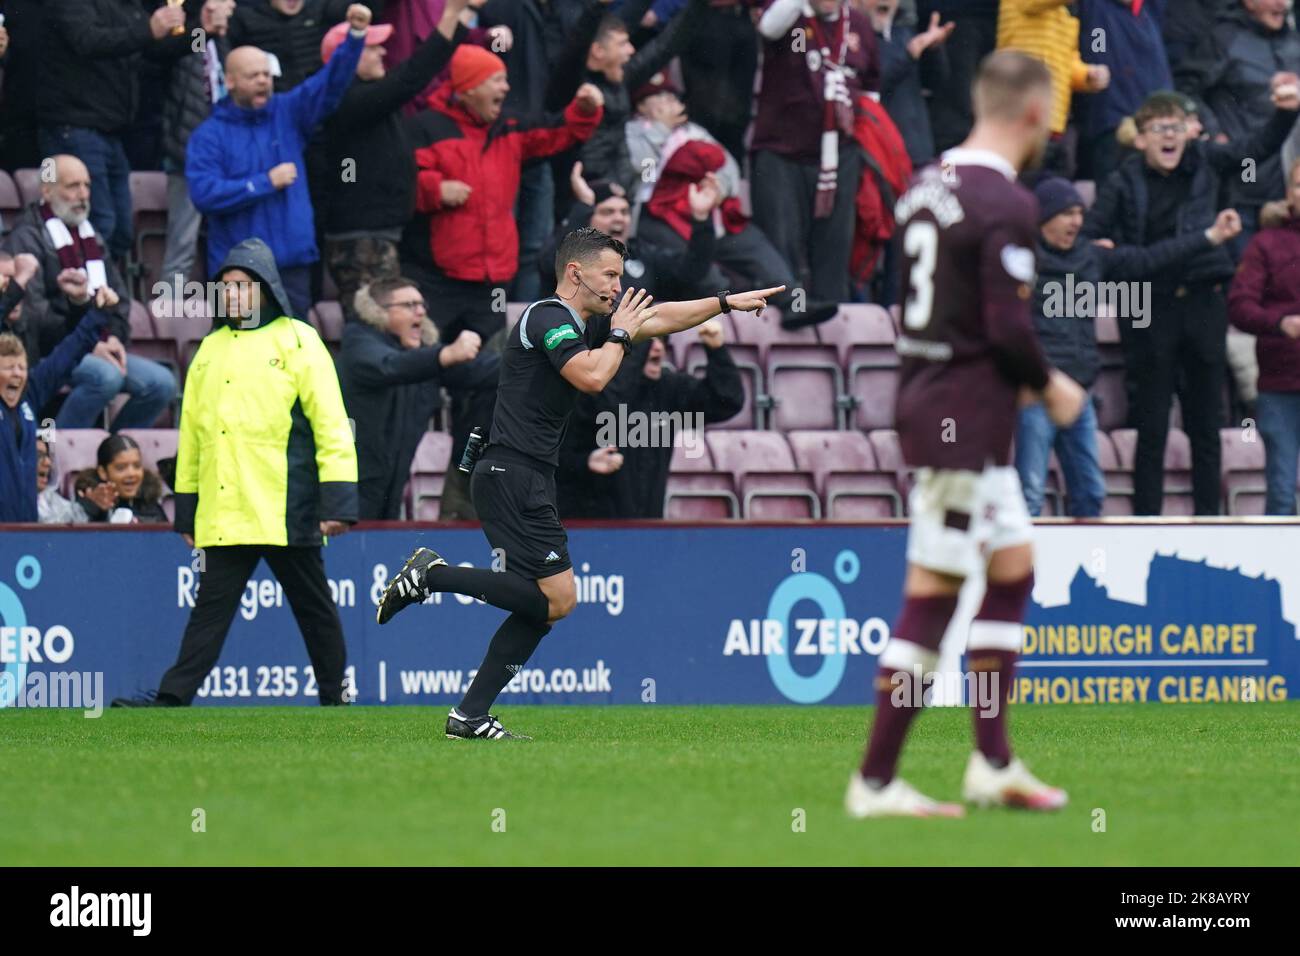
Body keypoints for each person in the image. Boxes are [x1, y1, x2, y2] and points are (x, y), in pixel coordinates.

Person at [374, 226, 782, 740]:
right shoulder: (547, 317)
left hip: (523, 475)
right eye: (609, 275)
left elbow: (659, 317)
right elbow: (592, 376)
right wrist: (622, 334)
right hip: (511, 473)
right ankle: (431, 576)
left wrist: (723, 302)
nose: (617, 286)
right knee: (558, 599)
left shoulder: (586, 323)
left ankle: (469, 716)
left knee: (542, 607)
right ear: (575, 273)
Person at [849, 51, 1088, 819]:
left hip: (946, 408)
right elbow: (1008, 326)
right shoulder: (1005, 201)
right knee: (935, 595)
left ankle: (993, 762)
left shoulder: (925, 184)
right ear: (1035, 113)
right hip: (961, 421)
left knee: (1012, 570)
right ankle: (875, 782)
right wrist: (1051, 385)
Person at [112, 237, 358, 707]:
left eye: (243, 285)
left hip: (287, 508)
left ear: (266, 288)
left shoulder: (300, 340)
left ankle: (335, 696)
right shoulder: (209, 349)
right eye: (226, 286)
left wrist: (338, 502)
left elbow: (331, 426)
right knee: (210, 611)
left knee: (314, 608)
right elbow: (193, 436)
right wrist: (187, 511)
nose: (233, 294)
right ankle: (172, 698)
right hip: (227, 511)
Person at [1084, 87, 1300, 515]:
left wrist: (1285, 114)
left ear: (1189, 132)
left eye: (1177, 126)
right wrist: (1118, 256)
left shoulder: (1207, 159)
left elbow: (1254, 150)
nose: (1169, 135)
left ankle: (1208, 522)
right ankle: (1147, 523)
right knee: (1151, 424)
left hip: (1203, 301)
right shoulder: (1122, 181)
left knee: (1206, 423)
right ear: (1139, 138)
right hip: (1148, 305)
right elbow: (1092, 244)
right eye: (1159, 128)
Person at [1016, 177, 1243, 517]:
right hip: (1038, 392)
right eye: (1066, 214)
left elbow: (1151, 258)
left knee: (1091, 494)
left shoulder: (1091, 257)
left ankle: (1087, 553)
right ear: (1043, 218)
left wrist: (1209, 237)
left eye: (1079, 213)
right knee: (1030, 495)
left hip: (1080, 392)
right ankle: (1022, 555)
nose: (1076, 221)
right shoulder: (1021, 265)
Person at [186, 4, 373, 319]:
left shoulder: (288, 113)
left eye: (266, 74)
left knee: (291, 346)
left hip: (291, 267)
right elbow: (204, 194)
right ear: (230, 81)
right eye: (253, 76)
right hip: (239, 274)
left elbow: (328, 84)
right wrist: (265, 183)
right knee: (240, 348)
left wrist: (355, 37)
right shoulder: (209, 135)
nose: (263, 81)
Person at [321, 0, 469, 322]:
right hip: (359, 241)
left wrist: (462, 15)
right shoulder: (343, 98)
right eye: (372, 48)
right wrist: (451, 15)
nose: (383, 52)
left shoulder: (373, 97)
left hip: (385, 233)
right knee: (372, 324)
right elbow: (412, 76)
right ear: (345, 56)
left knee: (391, 325)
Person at [3, 154, 176, 429]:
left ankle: (112, 449)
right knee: (105, 378)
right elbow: (34, 316)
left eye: (87, 185)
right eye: (73, 186)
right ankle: (60, 447)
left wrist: (115, 337)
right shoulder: (27, 236)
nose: (83, 194)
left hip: (97, 342)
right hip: (51, 352)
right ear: (47, 191)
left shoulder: (91, 235)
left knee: (161, 384)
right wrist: (88, 342)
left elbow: (118, 298)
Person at [36, 0, 188, 261]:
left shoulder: (128, 6)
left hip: (113, 132)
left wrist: (202, 31)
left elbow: (163, 49)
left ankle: (106, 283)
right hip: (74, 127)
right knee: (101, 223)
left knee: (122, 230)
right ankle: (82, 285)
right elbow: (87, 40)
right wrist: (147, 29)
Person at [336, 275, 498, 519]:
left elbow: (476, 371)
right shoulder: (359, 340)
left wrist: (536, 364)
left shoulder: (423, 354)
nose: (421, 312)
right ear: (378, 311)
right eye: (409, 305)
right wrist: (445, 354)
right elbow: (391, 366)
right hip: (349, 484)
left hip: (393, 482)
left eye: (422, 305)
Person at [752, 0, 880, 306]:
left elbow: (872, 86)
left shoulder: (859, 24)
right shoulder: (791, 15)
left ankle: (832, 317)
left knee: (834, 249)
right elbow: (769, 27)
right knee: (783, 246)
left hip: (840, 156)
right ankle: (788, 315)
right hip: (782, 153)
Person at [556, 318, 743, 518]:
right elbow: (556, 459)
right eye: (645, 341)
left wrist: (717, 351)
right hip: (588, 525)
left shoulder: (669, 388)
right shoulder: (588, 392)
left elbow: (726, 401)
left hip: (648, 526)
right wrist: (585, 463)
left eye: (661, 339)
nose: (657, 347)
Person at [0, 275, 117, 523]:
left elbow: (67, 355)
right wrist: (10, 295)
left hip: (25, 530)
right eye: (9, 368)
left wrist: (99, 314)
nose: (17, 374)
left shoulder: (28, 397)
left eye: (21, 367)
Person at [1227, 161, 1300, 515]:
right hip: (1280, 384)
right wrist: (1280, 323)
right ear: (1289, 193)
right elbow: (1239, 305)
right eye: (1299, 185)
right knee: (1282, 492)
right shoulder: (1266, 243)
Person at [539, 169, 715, 301]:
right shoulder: (572, 259)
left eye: (624, 212)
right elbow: (551, 266)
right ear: (587, 218)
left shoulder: (642, 254)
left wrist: (701, 219)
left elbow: (691, 270)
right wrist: (583, 206)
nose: (619, 218)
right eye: (608, 212)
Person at [159, 0, 236, 290]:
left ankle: (231, 307)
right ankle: (169, 307)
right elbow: (175, 53)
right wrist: (203, 29)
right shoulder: (184, 36)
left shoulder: (227, 40)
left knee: (230, 243)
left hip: (225, 156)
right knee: (182, 242)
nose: (229, 6)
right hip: (186, 155)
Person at [995, 0, 1110, 178]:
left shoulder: (1065, 12)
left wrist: (1087, 75)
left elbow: (1067, 61)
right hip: (1019, 119)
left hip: (1053, 124)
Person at [74, 433, 169, 523]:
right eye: (121, 468)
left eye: (137, 466)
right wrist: (92, 507)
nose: (131, 473)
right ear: (103, 472)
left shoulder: (151, 505)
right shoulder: (88, 509)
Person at [35, 437, 86, 524]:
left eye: (47, 456)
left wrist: (92, 505)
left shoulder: (50, 497)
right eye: (38, 455)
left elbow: (78, 519)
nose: (48, 463)